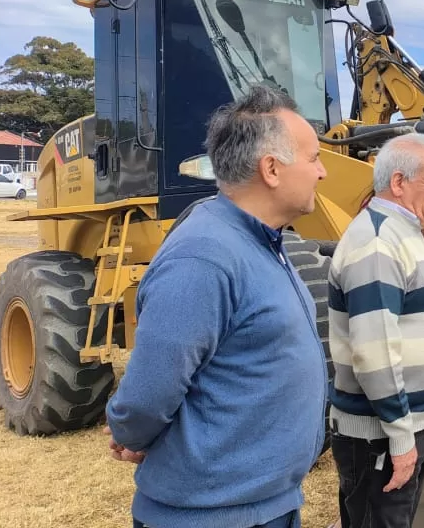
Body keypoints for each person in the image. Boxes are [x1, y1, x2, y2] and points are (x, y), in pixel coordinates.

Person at [104, 85, 330, 528]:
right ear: (271, 169)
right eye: (314, 158)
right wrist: (130, 433)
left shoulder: (261, 243)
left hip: (264, 504)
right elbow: (151, 390)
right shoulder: (203, 257)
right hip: (210, 515)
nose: (322, 172)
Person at [327, 132, 424, 528]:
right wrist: (401, 438)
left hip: (405, 429)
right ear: (399, 182)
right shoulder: (376, 243)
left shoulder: (406, 231)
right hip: (380, 439)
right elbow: (374, 351)